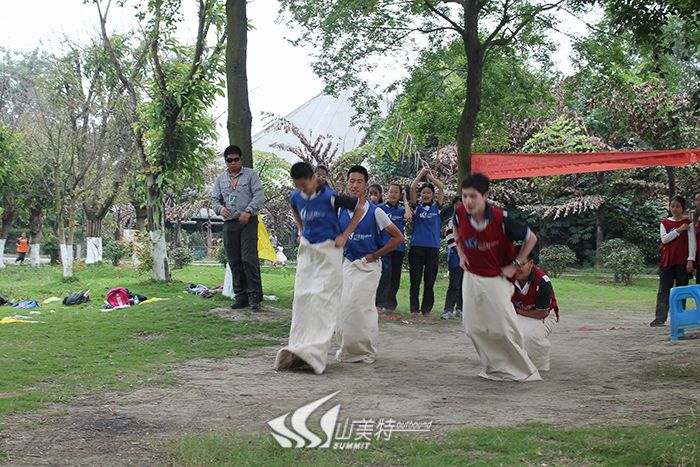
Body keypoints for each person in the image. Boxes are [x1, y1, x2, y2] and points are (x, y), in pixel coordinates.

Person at [274, 161, 364, 374]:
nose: (302, 190)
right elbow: (295, 208)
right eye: (298, 186)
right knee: (303, 297)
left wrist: (345, 235)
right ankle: (298, 349)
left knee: (324, 299)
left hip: (329, 249)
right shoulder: (295, 196)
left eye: (304, 185)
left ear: (314, 178)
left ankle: (315, 353)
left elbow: (359, 208)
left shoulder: (330, 196)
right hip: (308, 251)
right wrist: (300, 230)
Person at [453, 172, 541, 382]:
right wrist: (461, 252)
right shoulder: (459, 213)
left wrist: (516, 264)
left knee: (503, 328)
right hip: (472, 276)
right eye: (465, 196)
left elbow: (531, 238)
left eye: (473, 196)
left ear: (485, 196)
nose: (468, 201)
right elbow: (455, 228)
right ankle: (495, 367)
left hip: (497, 278)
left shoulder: (502, 219)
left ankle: (522, 371)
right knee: (473, 327)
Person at [336, 166, 404, 364]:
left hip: (368, 267)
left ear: (366, 185)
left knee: (360, 306)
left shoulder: (376, 212)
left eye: (359, 181)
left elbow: (398, 237)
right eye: (351, 181)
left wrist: (374, 255)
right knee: (344, 306)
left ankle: (365, 350)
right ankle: (347, 350)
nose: (355, 185)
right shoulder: (340, 211)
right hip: (348, 264)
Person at [211, 145, 266, 310]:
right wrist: (220, 209)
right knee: (234, 260)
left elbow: (259, 195)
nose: (233, 163)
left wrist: (248, 211)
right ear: (226, 161)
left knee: (249, 259)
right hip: (230, 223)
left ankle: (255, 296)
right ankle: (240, 296)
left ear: (241, 160)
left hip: (248, 221)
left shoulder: (251, 175)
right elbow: (215, 200)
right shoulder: (221, 179)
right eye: (229, 160)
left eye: (236, 159)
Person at [651, 195, 696, 327]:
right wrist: (678, 230)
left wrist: (690, 260)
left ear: (683, 208)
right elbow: (664, 239)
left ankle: (680, 316)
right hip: (668, 261)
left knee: (681, 290)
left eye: (677, 206)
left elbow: (692, 243)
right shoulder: (665, 222)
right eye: (672, 206)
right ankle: (660, 317)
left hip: (683, 261)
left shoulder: (689, 223)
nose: (675, 209)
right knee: (664, 290)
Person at [511, 254, 559, 371]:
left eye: (521, 265)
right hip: (518, 313)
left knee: (530, 336)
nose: (517, 269)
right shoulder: (507, 279)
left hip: (545, 315)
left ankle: (537, 366)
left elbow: (541, 314)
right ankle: (508, 363)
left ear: (531, 263)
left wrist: (517, 310)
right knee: (503, 330)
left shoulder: (542, 281)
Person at [408, 166, 444, 317]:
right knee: (415, 279)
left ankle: (426, 309)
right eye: (423, 193)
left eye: (428, 192)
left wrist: (429, 177)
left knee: (429, 281)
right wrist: (421, 173)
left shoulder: (437, 208)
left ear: (433, 195)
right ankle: (414, 309)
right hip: (417, 247)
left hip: (433, 248)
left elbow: (442, 187)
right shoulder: (417, 208)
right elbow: (412, 187)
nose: (425, 195)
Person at [375, 184, 412, 313]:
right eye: (391, 192)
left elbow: (408, 217)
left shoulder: (401, 210)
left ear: (400, 195)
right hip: (384, 247)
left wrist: (406, 200)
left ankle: (390, 305)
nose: (393, 194)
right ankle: (379, 303)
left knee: (395, 277)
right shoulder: (380, 208)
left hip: (398, 248)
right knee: (385, 276)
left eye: (396, 192)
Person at [441, 196, 464, 320]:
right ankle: (448, 310)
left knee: (464, 285)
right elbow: (451, 240)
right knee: (454, 284)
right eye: (456, 204)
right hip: (456, 257)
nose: (458, 207)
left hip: (469, 259)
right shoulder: (451, 221)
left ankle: (460, 309)